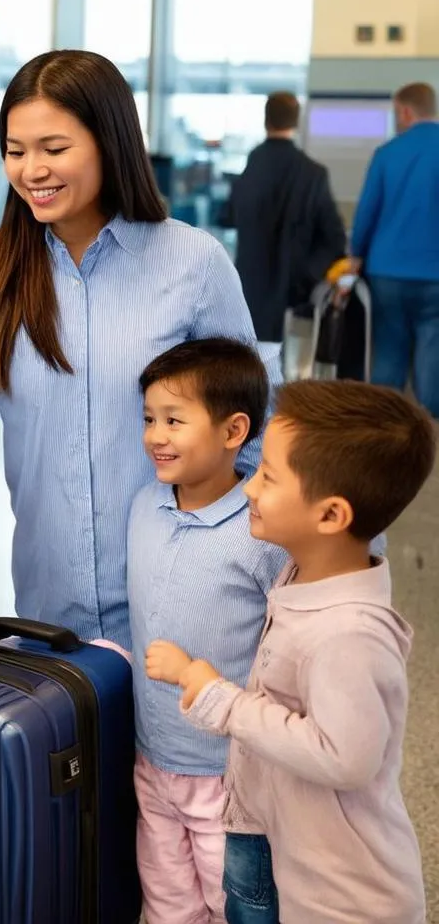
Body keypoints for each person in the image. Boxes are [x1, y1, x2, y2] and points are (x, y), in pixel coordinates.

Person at [0, 49, 278, 650]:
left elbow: (251, 426)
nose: (31, 169)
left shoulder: (191, 263)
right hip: (48, 601)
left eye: (54, 149)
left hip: (182, 596)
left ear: (109, 142)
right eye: (15, 151)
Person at [147, 380, 433, 924]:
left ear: (330, 516)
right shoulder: (305, 572)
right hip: (283, 847)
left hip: (345, 897)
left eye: (268, 477)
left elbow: (344, 757)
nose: (250, 489)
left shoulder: (350, 635)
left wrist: (223, 701)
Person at [129, 338, 287, 924]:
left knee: (236, 906)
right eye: (148, 419)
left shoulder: (259, 531)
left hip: (230, 775)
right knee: (167, 903)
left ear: (233, 431)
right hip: (152, 760)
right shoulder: (144, 504)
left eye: (174, 420)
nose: (155, 435)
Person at [221, 92, 347, 358]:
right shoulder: (313, 173)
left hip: (248, 292)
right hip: (293, 297)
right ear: (297, 123)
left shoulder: (251, 165)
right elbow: (335, 239)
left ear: (266, 120)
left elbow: (228, 216)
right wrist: (308, 276)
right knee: (287, 373)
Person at [350, 82, 439, 416]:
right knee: (433, 350)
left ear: (405, 111)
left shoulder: (387, 153)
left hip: (387, 271)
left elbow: (367, 212)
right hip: (435, 275)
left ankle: (384, 426)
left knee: (389, 350)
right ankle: (430, 432)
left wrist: (355, 255)